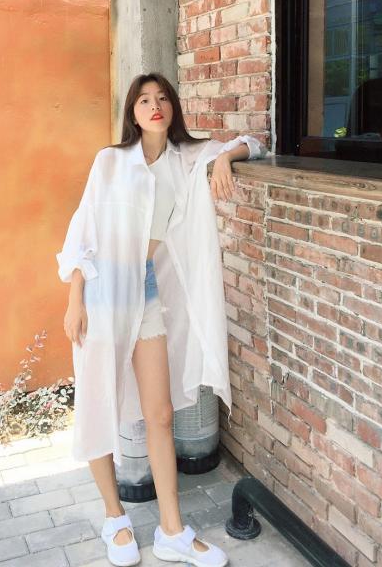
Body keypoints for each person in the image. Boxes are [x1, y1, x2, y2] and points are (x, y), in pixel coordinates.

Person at [56, 72, 265, 567]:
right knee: (99, 404)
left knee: (162, 413)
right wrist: (74, 298)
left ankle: (172, 531)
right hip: (102, 291)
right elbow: (84, 229)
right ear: (132, 112)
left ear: (173, 107)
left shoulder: (188, 157)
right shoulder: (110, 161)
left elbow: (254, 143)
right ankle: (115, 519)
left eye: (163, 98)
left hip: (146, 290)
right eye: (144, 100)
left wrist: (225, 159)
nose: (155, 106)